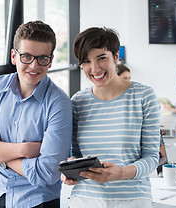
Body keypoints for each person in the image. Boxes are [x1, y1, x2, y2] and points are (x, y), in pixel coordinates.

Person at [0, 21, 72, 208]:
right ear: (14, 56)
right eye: (26, 56)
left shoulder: (59, 103)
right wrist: (24, 150)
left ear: (51, 60)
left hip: (36, 200)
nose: (34, 66)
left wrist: (1, 157)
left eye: (42, 58)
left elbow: (48, 172)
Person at [62, 27, 160, 208]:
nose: (95, 68)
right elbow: (76, 155)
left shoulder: (144, 96)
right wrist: (70, 171)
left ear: (116, 57)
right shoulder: (77, 101)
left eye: (101, 58)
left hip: (132, 199)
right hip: (85, 199)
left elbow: (152, 158)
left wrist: (121, 173)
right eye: (86, 61)